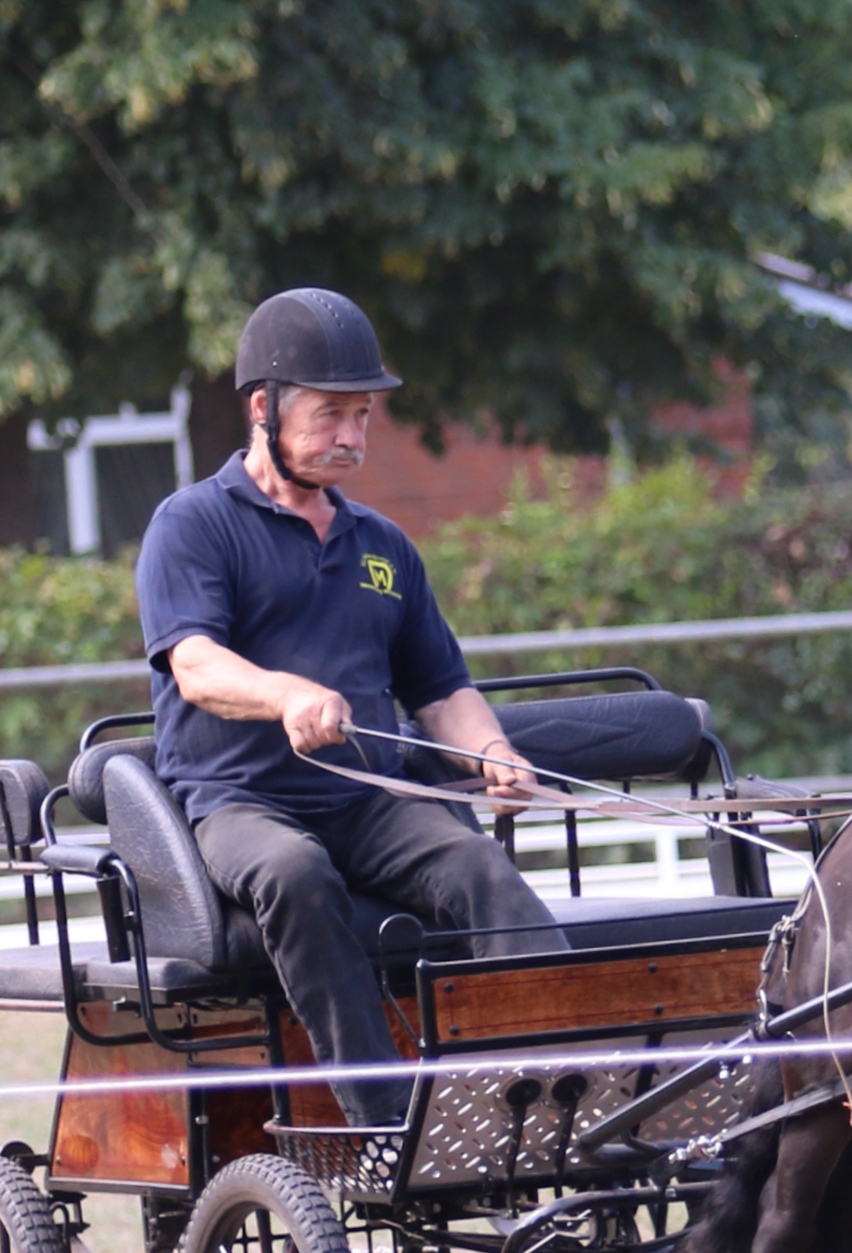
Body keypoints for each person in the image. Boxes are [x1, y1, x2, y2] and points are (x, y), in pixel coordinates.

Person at [134, 287, 567, 1128]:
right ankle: (385, 1125)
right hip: (240, 805)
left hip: (371, 802)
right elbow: (194, 666)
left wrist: (492, 753)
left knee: (482, 870)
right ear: (262, 408)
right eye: (331, 414)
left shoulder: (383, 546)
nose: (353, 437)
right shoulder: (191, 525)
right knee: (296, 874)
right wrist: (284, 692)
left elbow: (441, 689)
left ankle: (552, 1096)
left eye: (363, 416)